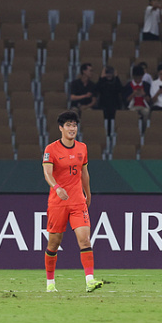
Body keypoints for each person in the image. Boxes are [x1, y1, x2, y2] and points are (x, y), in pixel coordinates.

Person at [42, 111, 103, 293]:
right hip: (58, 202)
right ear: (61, 128)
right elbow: (47, 173)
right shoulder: (51, 149)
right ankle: (50, 283)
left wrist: (88, 193)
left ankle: (90, 280)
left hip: (77, 202)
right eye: (68, 125)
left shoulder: (82, 148)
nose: (72, 128)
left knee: (85, 240)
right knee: (54, 243)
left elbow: (84, 173)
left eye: (74, 125)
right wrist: (56, 187)